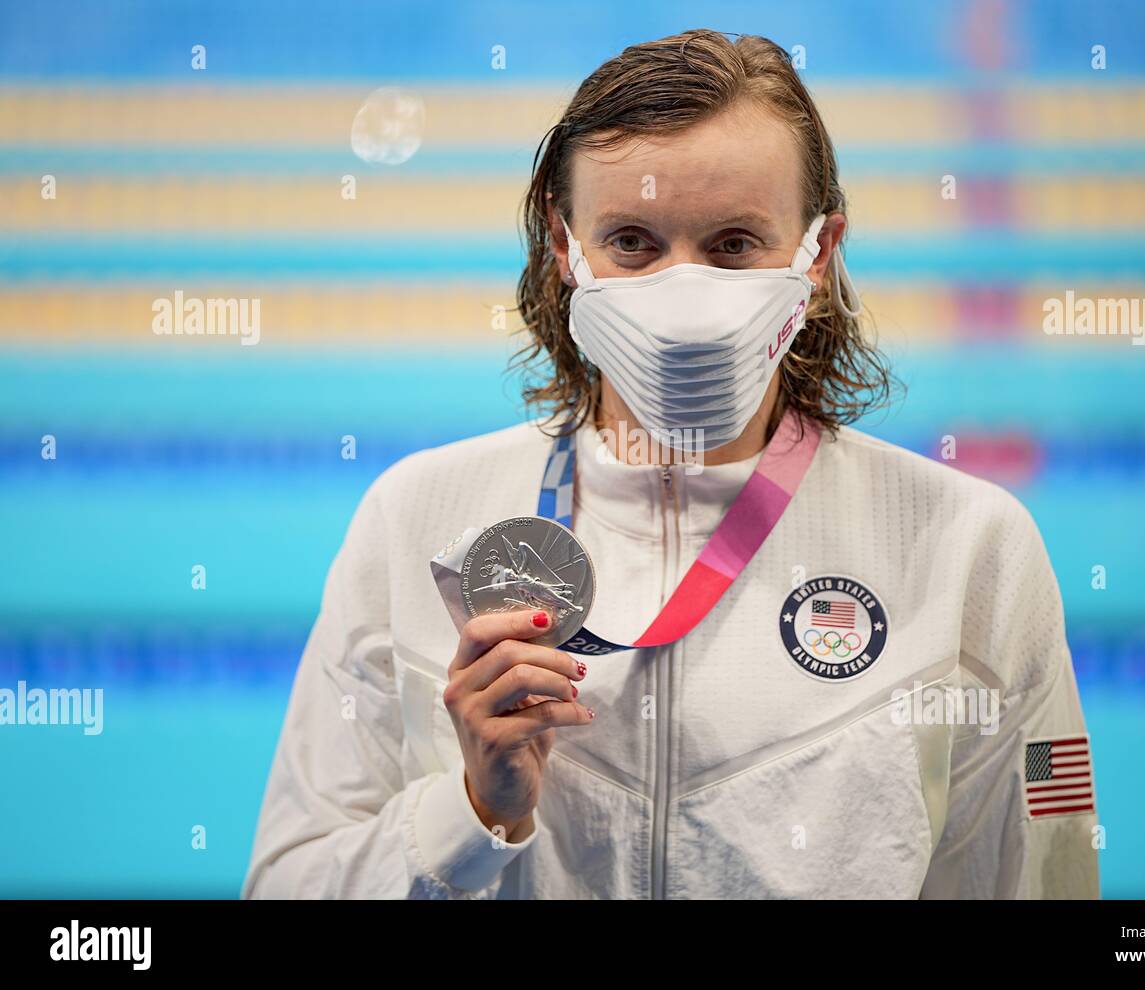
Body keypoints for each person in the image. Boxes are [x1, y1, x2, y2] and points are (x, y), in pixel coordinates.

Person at [242, 29, 1099, 899]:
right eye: (633, 242)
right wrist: (471, 815)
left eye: (733, 244)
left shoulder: (968, 550)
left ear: (820, 254)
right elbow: (285, 883)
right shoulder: (416, 519)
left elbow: (1046, 881)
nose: (683, 299)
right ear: (564, 246)